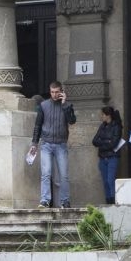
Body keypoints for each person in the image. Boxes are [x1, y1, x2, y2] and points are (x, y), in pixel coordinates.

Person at [30, 81, 77, 209]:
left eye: (57, 92)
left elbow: (72, 121)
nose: (54, 94)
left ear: (61, 92)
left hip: (61, 144)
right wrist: (34, 143)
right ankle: (45, 200)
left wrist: (65, 105)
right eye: (52, 92)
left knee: (63, 175)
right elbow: (37, 125)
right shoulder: (44, 105)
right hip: (46, 143)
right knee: (46, 173)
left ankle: (65, 201)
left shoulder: (67, 105)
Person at [91, 106, 123, 205]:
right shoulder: (102, 126)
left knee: (110, 180)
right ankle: (108, 201)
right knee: (105, 182)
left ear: (108, 115)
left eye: (103, 115)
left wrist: (102, 142)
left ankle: (113, 200)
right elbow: (94, 141)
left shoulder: (116, 126)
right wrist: (106, 142)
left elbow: (114, 143)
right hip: (102, 158)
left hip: (112, 157)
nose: (101, 117)